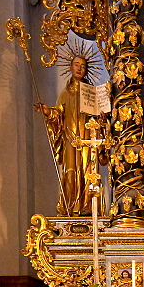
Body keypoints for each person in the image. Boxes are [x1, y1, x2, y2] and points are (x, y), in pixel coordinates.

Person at [35, 52, 106, 216]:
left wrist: (103, 116)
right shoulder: (65, 94)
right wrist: (48, 112)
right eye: (77, 65)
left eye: (83, 66)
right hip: (70, 140)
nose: (80, 68)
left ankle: (88, 208)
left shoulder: (92, 94)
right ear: (71, 67)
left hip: (89, 140)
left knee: (88, 173)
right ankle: (70, 210)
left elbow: (100, 118)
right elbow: (59, 116)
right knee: (70, 173)